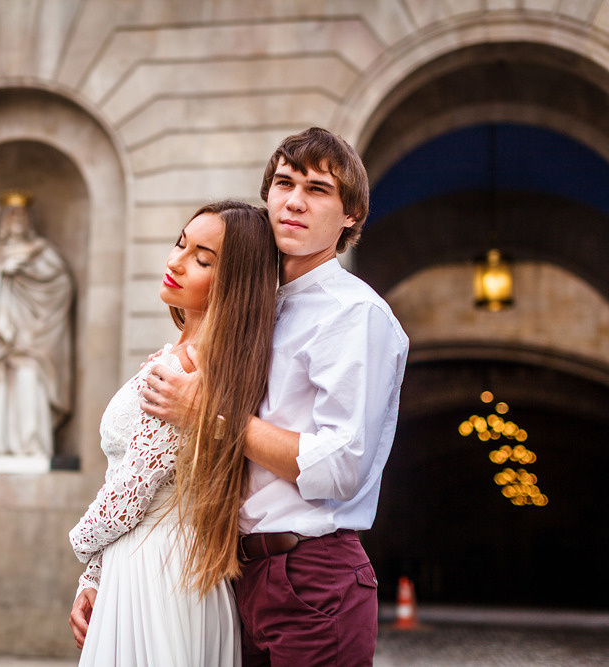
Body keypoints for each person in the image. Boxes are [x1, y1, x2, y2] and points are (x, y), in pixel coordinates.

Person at [142, 127, 409, 665]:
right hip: (236, 575)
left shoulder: (353, 314)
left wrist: (209, 415)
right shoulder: (259, 307)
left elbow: (340, 466)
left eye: (317, 190)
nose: (293, 201)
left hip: (312, 576)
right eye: (284, 183)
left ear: (351, 214)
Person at [68, 200, 278, 665]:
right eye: (180, 244)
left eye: (202, 259)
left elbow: (132, 488)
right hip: (151, 564)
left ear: (233, 282)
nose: (175, 262)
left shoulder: (189, 368)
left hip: (157, 571)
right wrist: (95, 576)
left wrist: (81, 545)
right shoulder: (187, 356)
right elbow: (126, 475)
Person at [0, 190, 74, 458]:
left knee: (29, 379)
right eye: (10, 216)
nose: (16, 220)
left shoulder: (42, 253)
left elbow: (62, 285)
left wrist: (26, 271)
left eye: (21, 215)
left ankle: (32, 445)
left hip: (33, 337)